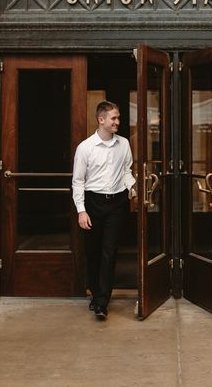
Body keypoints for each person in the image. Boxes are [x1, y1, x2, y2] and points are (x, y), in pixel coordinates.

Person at [72, 101, 136, 321]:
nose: (118, 122)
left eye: (118, 118)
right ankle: (95, 291)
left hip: (117, 203)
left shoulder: (124, 144)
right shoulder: (85, 148)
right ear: (101, 120)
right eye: (114, 118)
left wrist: (133, 187)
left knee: (109, 252)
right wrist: (82, 211)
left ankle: (102, 301)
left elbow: (127, 171)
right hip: (93, 203)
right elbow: (78, 182)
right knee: (93, 251)